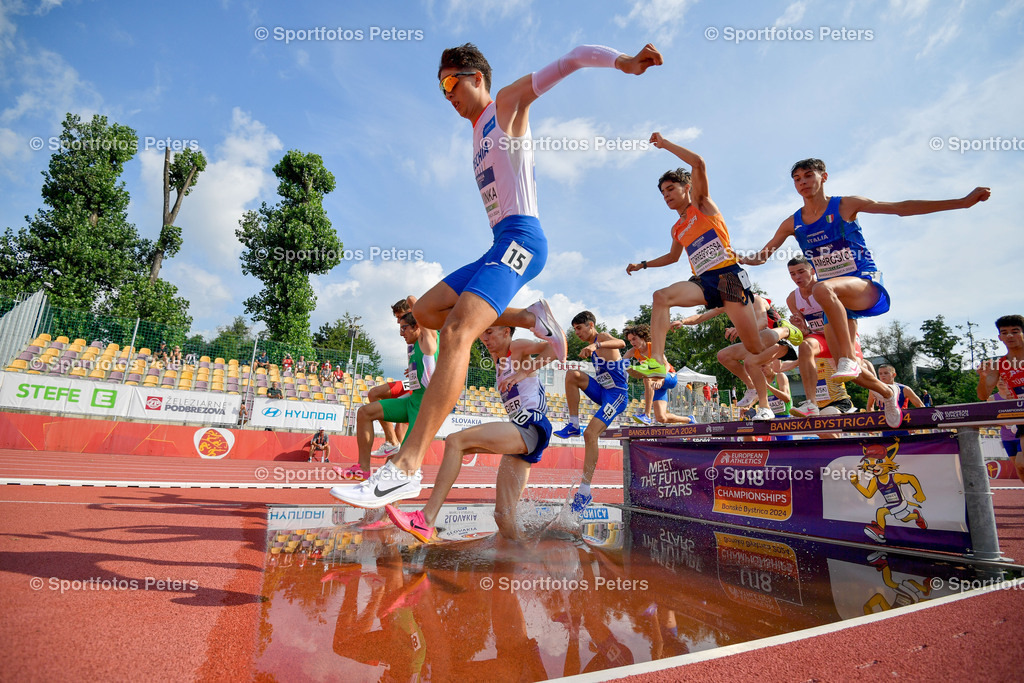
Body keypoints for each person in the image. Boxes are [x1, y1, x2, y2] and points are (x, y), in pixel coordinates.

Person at [337, 41, 662, 508]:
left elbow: (571, 57)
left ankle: (406, 468)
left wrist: (625, 63)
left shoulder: (505, 105)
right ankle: (530, 318)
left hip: (523, 240)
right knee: (427, 311)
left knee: (456, 333)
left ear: (476, 77)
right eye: (440, 87)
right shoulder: (473, 132)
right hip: (498, 243)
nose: (446, 94)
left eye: (451, 82)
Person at [741, 159, 990, 427]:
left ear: (824, 177)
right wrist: (738, 256)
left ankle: (848, 356)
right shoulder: (793, 222)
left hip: (862, 283)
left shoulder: (846, 205)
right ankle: (887, 393)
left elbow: (899, 209)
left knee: (821, 288)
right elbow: (762, 255)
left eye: (808, 176)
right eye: (797, 178)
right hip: (833, 302)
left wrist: (961, 202)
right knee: (848, 372)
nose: (802, 182)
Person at [627, 133, 771, 418]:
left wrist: (664, 144)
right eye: (663, 193)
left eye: (671, 189)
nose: (667, 196)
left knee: (754, 346)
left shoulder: (702, 205)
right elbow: (672, 257)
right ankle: (657, 360)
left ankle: (782, 337)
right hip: (703, 281)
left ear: (686, 187)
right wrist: (642, 265)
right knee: (661, 297)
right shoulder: (677, 228)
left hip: (729, 276)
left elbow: (699, 162)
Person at [386, 325, 556, 541]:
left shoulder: (517, 347)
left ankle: (426, 519)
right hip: (521, 434)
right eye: (483, 332)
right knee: (503, 516)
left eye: (491, 332)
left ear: (506, 332)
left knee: (455, 441)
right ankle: (522, 556)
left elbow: (557, 348)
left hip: (532, 425)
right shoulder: (498, 360)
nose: (485, 337)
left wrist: (524, 372)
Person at [329, 311, 438, 493]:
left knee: (401, 465)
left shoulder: (430, 339)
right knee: (365, 412)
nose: (401, 333)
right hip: (412, 400)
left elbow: (418, 306)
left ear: (417, 326)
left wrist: (415, 308)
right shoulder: (412, 345)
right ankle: (363, 469)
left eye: (403, 328)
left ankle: (387, 514)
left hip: (424, 409)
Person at [552, 311, 630, 514]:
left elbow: (621, 343)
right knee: (572, 375)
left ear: (591, 325)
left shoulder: (602, 337)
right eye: (575, 329)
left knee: (591, 434)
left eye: (579, 328)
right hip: (602, 391)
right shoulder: (592, 347)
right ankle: (574, 424)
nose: (576, 332)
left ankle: (585, 491)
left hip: (616, 395)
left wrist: (596, 345)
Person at [364, 298, 417, 458]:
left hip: (423, 387)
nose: (398, 323)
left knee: (401, 427)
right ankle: (391, 441)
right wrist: (413, 367)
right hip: (412, 382)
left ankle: (395, 469)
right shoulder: (408, 334)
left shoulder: (425, 329)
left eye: (400, 317)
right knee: (374, 394)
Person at [977, 314, 1024, 481]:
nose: (1009, 336)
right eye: (1004, 332)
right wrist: (983, 377)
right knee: (1021, 466)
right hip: (1020, 418)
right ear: (999, 337)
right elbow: (983, 395)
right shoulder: (1000, 364)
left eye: (1015, 331)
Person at [622, 323, 673, 425]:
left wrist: (660, 379)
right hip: (656, 384)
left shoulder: (653, 347)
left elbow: (666, 365)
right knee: (661, 417)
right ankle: (689, 419)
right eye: (630, 340)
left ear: (642, 337)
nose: (632, 342)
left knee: (646, 377)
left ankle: (647, 415)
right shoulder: (632, 351)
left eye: (634, 339)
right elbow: (620, 364)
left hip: (669, 376)